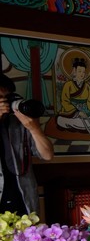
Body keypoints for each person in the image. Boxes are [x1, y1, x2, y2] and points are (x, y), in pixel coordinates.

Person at [0, 74, 54, 214]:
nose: (5, 103)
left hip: (24, 198)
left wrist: (34, 128)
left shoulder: (19, 122)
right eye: (0, 98)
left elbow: (47, 155)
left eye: (7, 97)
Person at [57, 57, 90, 134]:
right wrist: (77, 113)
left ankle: (81, 126)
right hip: (73, 112)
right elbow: (65, 101)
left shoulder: (87, 86)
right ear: (74, 71)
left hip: (86, 111)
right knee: (60, 120)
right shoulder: (68, 85)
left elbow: (89, 102)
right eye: (79, 71)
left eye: (83, 72)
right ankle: (83, 126)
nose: (82, 74)